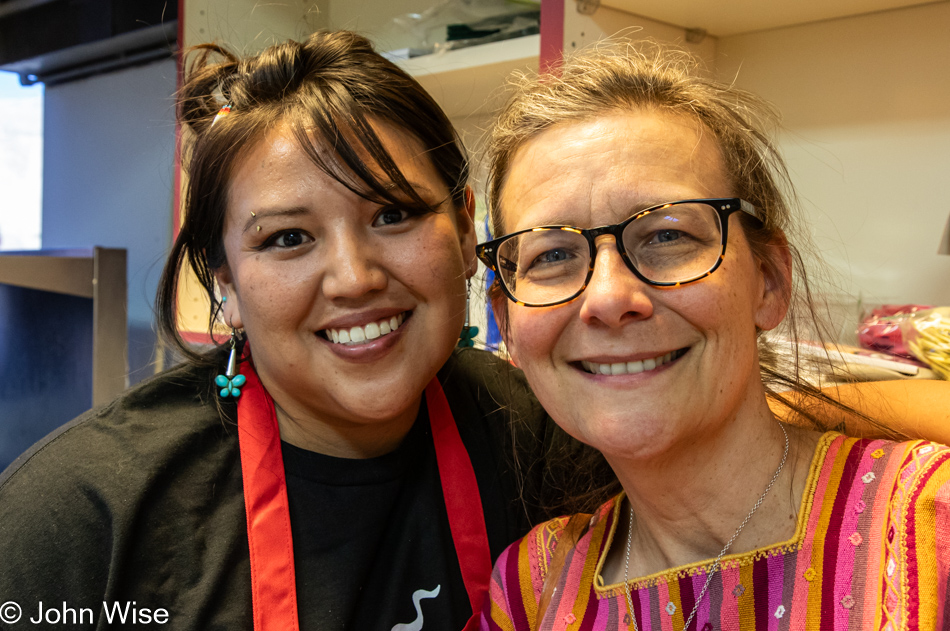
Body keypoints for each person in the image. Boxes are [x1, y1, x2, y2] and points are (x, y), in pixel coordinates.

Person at [0, 31, 590, 631]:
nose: (354, 279)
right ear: (224, 285)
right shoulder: (80, 516)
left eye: (393, 215)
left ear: (466, 232)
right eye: (288, 238)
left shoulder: (545, 437)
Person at [477, 43, 950, 630]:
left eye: (667, 236)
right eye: (552, 254)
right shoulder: (530, 591)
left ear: (769, 281)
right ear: (511, 327)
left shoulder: (929, 530)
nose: (607, 298)